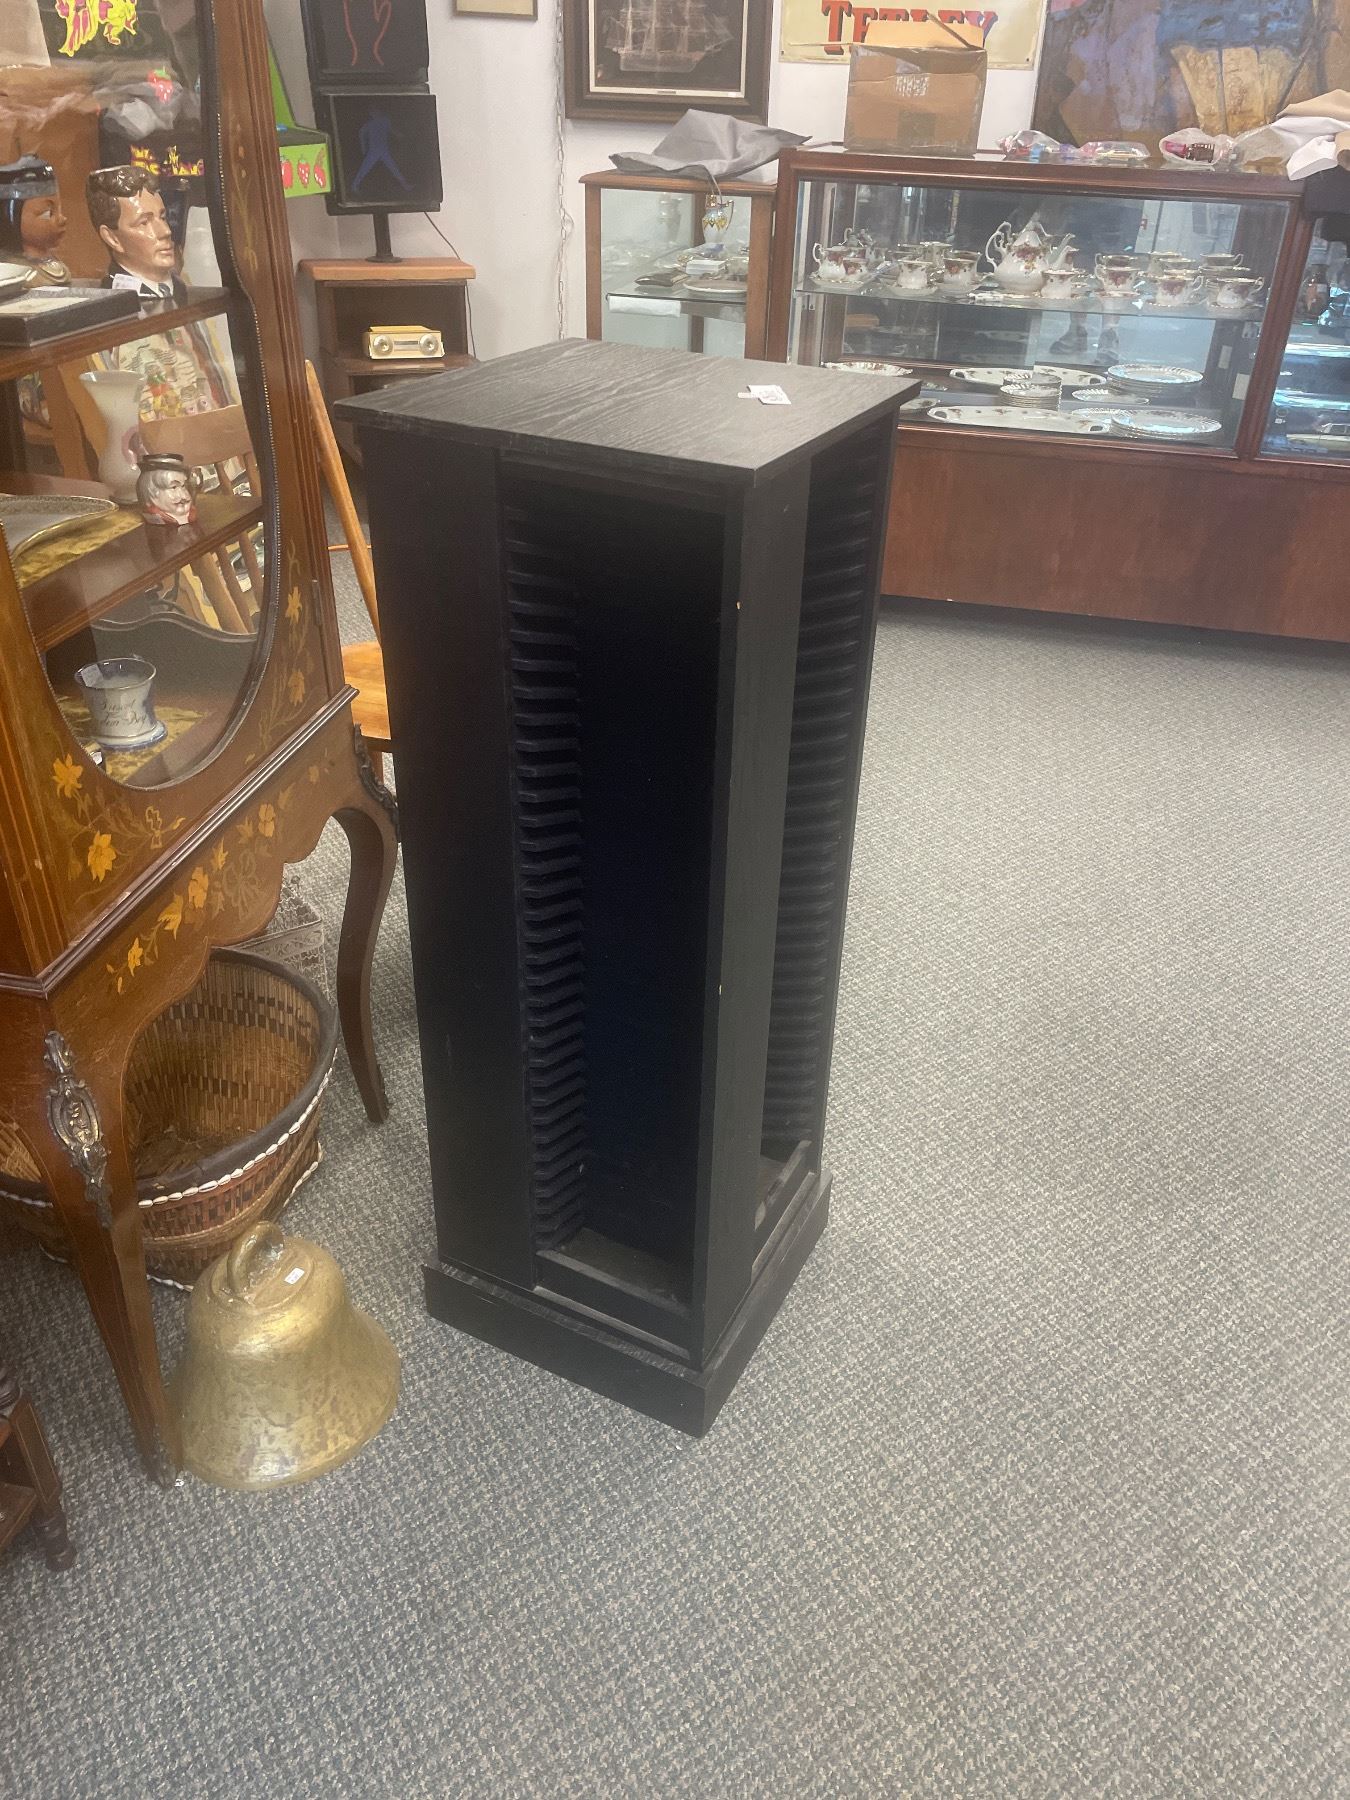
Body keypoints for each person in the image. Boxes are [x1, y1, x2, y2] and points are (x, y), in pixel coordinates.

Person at [86, 164, 186, 301]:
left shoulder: (179, 288)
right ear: (112, 238)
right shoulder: (118, 303)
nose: (166, 231)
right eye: (144, 223)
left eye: (162, 217)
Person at [0, 155, 69, 285]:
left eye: (59, 210)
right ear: (11, 218)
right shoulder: (15, 273)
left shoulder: (55, 264)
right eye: (48, 213)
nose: (62, 219)